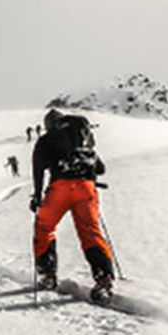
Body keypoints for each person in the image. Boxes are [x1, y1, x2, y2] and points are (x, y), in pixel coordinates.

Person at [29, 106, 115, 302]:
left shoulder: (45, 140)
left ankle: (48, 275)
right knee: (90, 231)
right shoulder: (82, 136)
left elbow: (38, 169)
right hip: (86, 189)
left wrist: (37, 196)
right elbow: (100, 168)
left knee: (44, 227)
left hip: (59, 189)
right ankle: (104, 280)